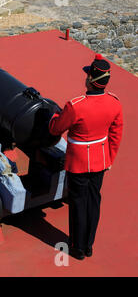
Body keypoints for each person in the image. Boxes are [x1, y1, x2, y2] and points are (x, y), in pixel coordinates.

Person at [48, 54, 123, 260]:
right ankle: (89, 245)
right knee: (93, 202)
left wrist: (53, 117)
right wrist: (109, 159)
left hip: (78, 162)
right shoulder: (114, 103)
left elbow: (56, 129)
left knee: (78, 203)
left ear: (90, 79)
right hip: (101, 161)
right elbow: (115, 136)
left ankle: (78, 247)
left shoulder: (76, 105)